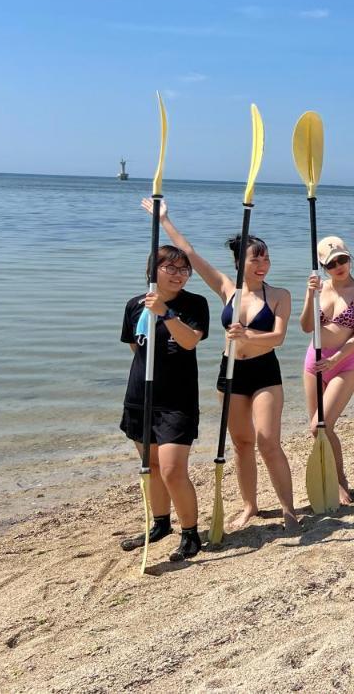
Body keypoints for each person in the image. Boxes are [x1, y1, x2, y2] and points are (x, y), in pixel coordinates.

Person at [143, 198, 299, 531]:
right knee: (242, 445)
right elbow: (190, 253)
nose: (263, 265)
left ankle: (288, 508)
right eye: (256, 259)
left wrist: (246, 334)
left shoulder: (279, 295)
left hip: (264, 373)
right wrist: (165, 219)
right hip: (230, 373)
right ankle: (250, 506)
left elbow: (278, 338)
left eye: (266, 258)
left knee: (268, 441)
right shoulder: (227, 287)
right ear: (240, 261)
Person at [119, 244, 209, 562]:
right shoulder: (134, 306)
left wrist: (166, 314)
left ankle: (190, 533)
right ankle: (160, 524)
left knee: (172, 470)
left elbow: (189, 341)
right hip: (140, 399)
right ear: (153, 270)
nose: (178, 275)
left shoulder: (194, 304)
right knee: (152, 467)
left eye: (184, 269)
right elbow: (136, 347)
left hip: (178, 400)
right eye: (170, 268)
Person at [299, 236, 354, 505]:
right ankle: (330, 477)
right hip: (314, 362)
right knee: (318, 430)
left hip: (343, 364)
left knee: (320, 424)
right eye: (332, 263)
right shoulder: (320, 289)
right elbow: (307, 326)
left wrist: (335, 360)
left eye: (342, 259)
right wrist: (310, 295)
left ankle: (340, 480)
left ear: (349, 258)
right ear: (323, 266)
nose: (339, 265)